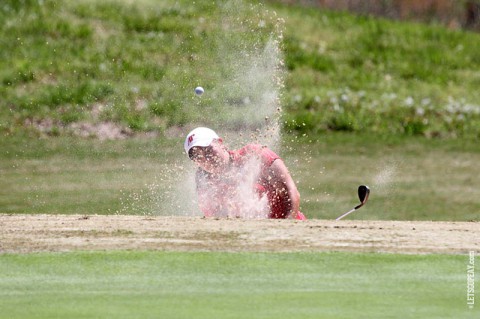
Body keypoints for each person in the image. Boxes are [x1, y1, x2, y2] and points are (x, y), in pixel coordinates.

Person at [184, 127, 306, 220]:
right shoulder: (204, 181)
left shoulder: (253, 154)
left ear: (220, 143)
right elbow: (216, 218)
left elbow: (291, 191)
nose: (206, 157)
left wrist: (288, 228)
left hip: (290, 228)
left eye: (208, 149)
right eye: (198, 156)